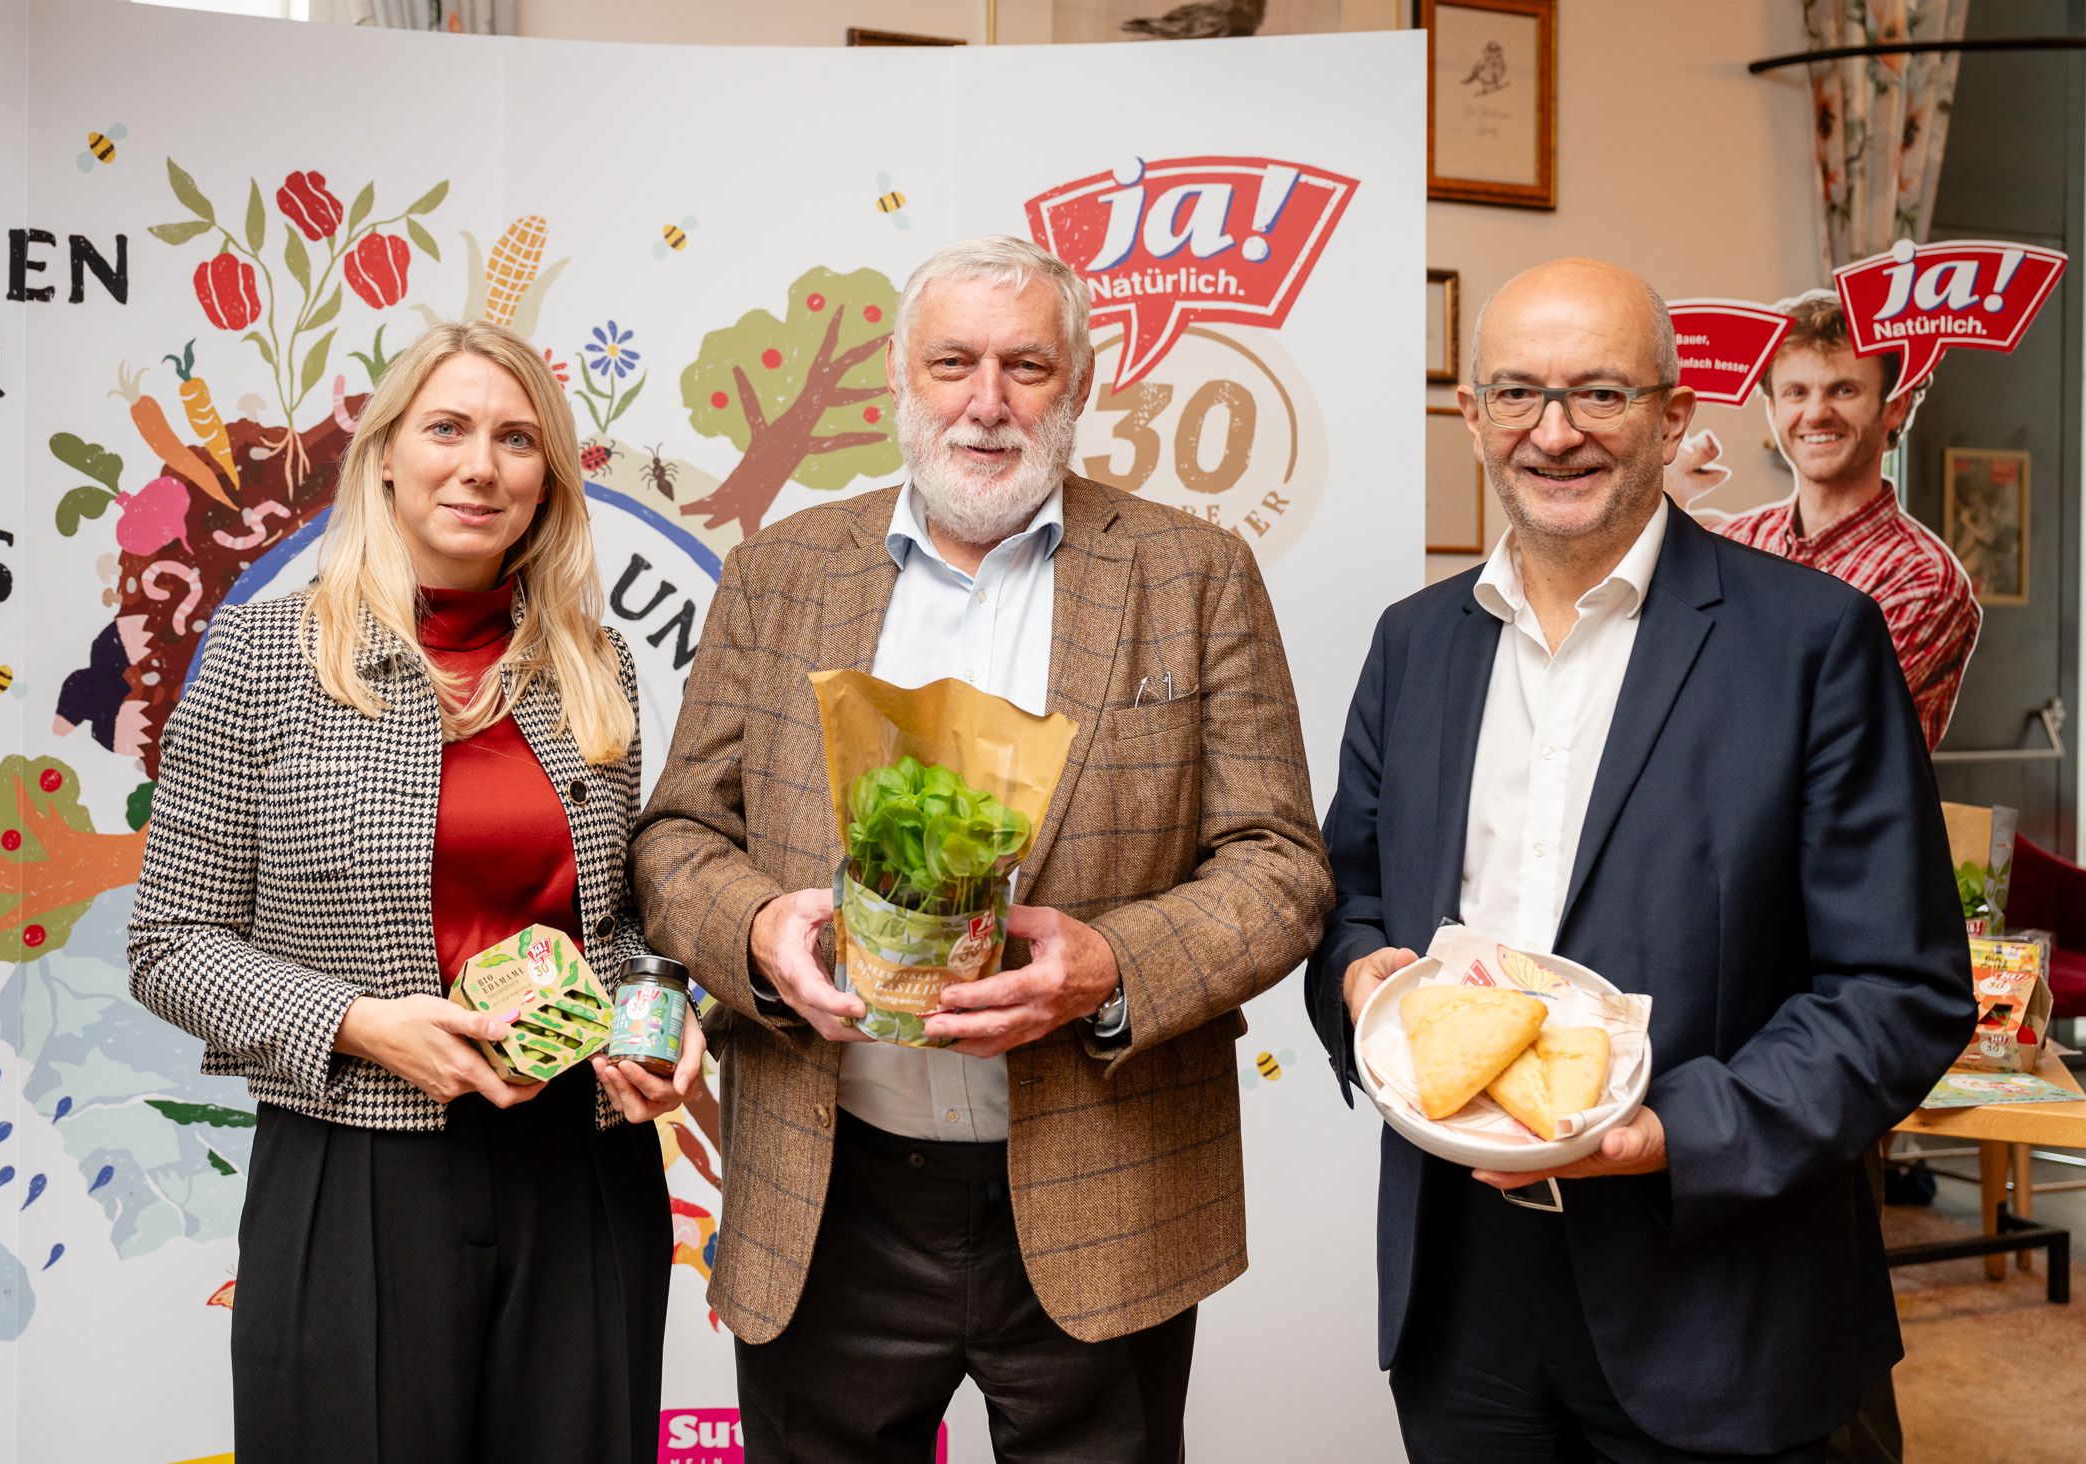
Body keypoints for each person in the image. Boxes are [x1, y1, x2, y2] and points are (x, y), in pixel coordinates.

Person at [632, 235, 1332, 1463]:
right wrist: (757, 934)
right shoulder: (779, 570)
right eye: (952, 362)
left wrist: (1108, 965)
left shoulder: (1195, 573)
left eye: (1027, 366)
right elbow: (680, 836)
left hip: (1103, 1189)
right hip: (827, 1192)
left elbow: (1279, 866)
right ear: (899, 378)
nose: (987, 401)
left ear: (1082, 383)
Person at [1307, 258, 1974, 1460]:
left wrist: (1672, 1131)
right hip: (1460, 1296)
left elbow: (1900, 991)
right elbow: (1346, 895)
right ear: (1472, 416)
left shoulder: (1813, 642)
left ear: (1673, 419)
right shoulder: (1411, 647)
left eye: (1601, 394)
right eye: (1518, 393)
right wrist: (1359, 976)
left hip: (1721, 1291)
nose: (1554, 432)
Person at [128, 319, 701, 1464]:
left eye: (517, 439)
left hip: (581, 1167)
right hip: (357, 1163)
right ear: (386, 454)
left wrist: (662, 1012)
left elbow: (623, 918)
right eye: (447, 429)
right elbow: (169, 942)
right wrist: (355, 1022)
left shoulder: (597, 665)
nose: (480, 466)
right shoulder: (261, 657)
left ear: (548, 479)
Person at [1688, 291, 1982, 750]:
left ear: (1895, 405)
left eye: (1843, 390)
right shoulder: (1731, 540)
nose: (1815, 413)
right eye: (1795, 392)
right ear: (1773, 409)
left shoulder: (1924, 579)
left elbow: (1806, 737)